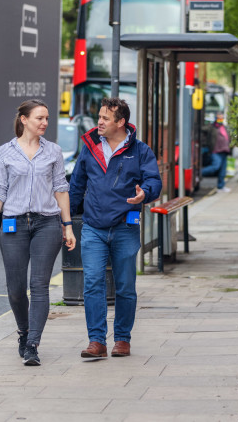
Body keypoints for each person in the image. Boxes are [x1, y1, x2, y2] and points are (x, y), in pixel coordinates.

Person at [0, 99, 77, 366]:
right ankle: (23, 333)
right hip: (13, 223)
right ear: (24, 120)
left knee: (39, 285)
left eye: (47, 118)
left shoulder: (53, 152)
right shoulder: (6, 152)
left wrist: (67, 225)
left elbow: (61, 188)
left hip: (46, 223)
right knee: (15, 289)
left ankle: (33, 344)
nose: (45, 123)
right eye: (40, 118)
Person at [69, 98, 162, 358]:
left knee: (125, 286)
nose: (99, 121)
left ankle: (122, 339)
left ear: (121, 122)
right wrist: (66, 222)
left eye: (106, 118)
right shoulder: (89, 147)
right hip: (93, 228)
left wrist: (145, 194)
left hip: (124, 228)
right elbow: (76, 184)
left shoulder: (140, 151)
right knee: (93, 284)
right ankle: (96, 341)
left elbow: (153, 180)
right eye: (99, 116)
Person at [202, 111, 231, 193]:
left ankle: (221, 187)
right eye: (219, 117)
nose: (220, 119)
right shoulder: (212, 127)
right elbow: (204, 129)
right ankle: (200, 173)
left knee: (223, 170)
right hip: (216, 151)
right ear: (216, 118)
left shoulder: (224, 127)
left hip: (224, 151)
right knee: (215, 166)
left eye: (222, 117)